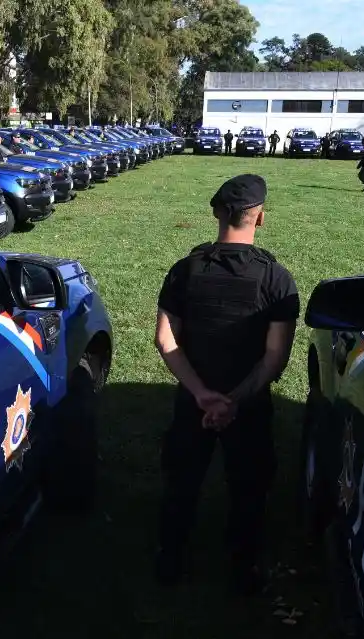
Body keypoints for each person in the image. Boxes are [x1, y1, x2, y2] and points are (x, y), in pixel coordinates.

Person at [154, 174, 299, 594]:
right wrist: (233, 401)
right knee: (249, 486)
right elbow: (276, 356)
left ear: (218, 212)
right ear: (261, 218)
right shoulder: (277, 280)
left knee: (182, 481)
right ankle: (243, 565)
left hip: (192, 401)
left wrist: (202, 395)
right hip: (248, 405)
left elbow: (166, 339)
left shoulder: (184, 271)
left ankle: (170, 557)